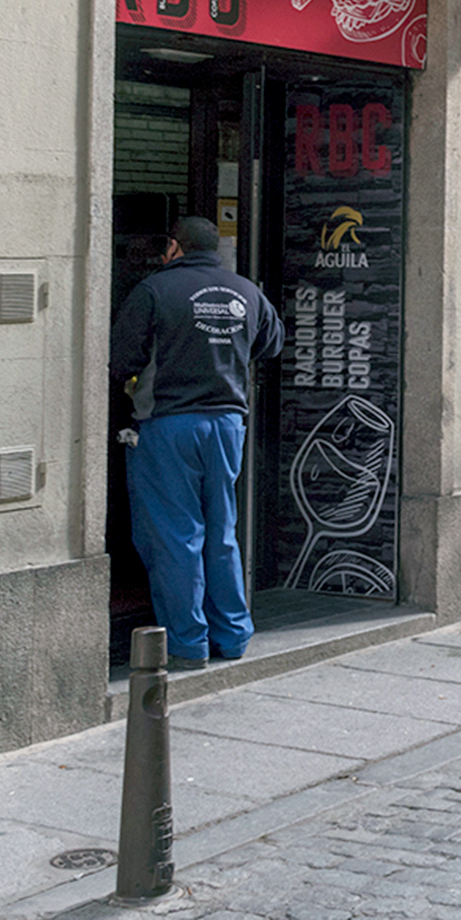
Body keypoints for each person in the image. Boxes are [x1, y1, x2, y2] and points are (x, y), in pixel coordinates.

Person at [111, 217, 283, 671]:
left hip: (168, 424)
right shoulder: (245, 290)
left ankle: (187, 643)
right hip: (227, 423)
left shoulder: (154, 290)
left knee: (174, 536)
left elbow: (122, 357)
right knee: (222, 532)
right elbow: (272, 343)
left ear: (174, 248)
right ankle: (233, 634)